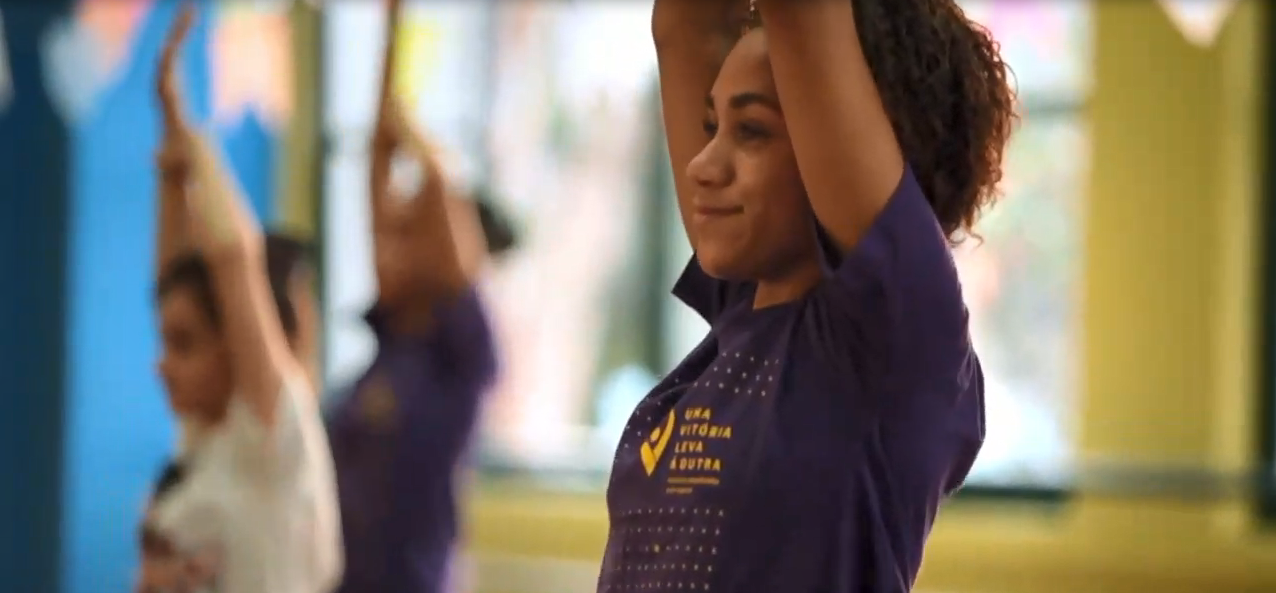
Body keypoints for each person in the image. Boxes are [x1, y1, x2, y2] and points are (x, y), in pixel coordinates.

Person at [597, 0, 1014, 591]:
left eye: (754, 131)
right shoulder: (747, 315)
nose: (702, 166)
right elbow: (683, 23)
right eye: (713, 126)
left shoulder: (890, 335)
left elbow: (801, 15)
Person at [138, 5, 342, 592]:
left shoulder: (273, 441)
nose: (162, 363)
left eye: (183, 346)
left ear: (238, 344)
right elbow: (176, 283)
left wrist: (192, 135)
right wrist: (172, 173)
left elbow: (233, 260)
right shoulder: (210, 436)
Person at [326, 1, 504, 591]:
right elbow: (376, 160)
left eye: (407, 234)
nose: (386, 243)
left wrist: (420, 143)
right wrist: (390, 32)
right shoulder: (391, 345)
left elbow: (442, 205)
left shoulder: (463, 360)